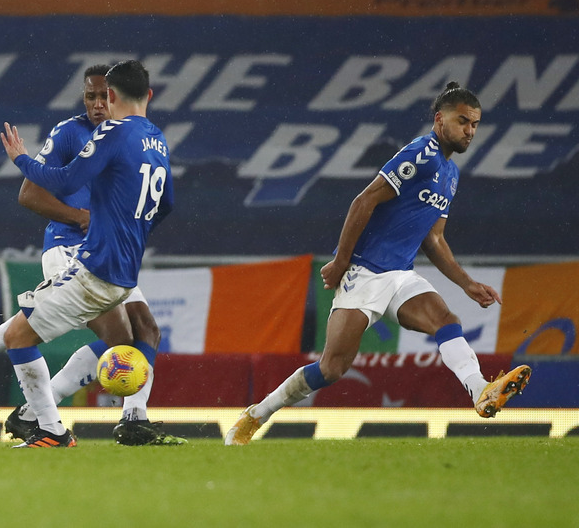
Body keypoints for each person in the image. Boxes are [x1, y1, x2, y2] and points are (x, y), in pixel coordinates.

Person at [225, 82, 531, 445]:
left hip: (401, 276)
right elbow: (364, 200)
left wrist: (466, 283)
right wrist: (340, 262)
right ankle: (257, 413)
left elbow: (433, 239)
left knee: (447, 321)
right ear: (439, 120)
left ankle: (480, 390)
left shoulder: (451, 175)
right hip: (365, 273)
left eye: (475, 124)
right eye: (462, 121)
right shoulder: (421, 154)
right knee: (332, 368)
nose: (469, 131)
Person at [0, 64, 180, 446]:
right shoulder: (149, 139)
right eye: (90, 96)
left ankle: (47, 421)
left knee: (27, 337)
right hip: (94, 258)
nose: (98, 104)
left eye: (103, 96)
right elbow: (165, 204)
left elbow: (67, 180)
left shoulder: (115, 133)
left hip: (97, 263)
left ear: (113, 96)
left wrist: (20, 158)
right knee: (125, 336)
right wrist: (108, 226)